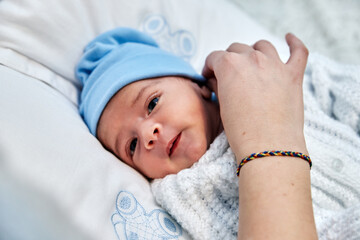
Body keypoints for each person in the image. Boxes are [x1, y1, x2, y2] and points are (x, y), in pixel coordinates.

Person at [76, 27, 360, 240]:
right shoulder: (187, 191)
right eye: (132, 145)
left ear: (198, 85)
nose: (148, 133)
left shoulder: (270, 80)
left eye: (152, 103)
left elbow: (343, 90)